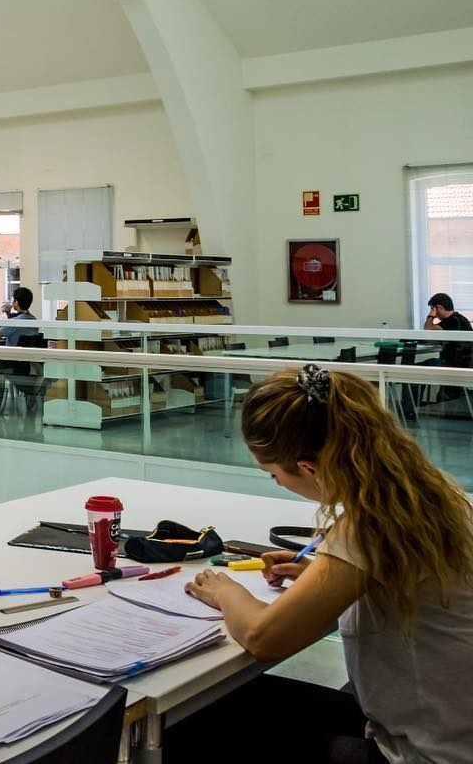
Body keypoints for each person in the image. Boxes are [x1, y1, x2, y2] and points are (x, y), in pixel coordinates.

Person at [172, 364, 473, 763]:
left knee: (191, 725)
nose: (277, 483)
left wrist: (227, 592)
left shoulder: (371, 525)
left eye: (273, 474)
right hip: (453, 727)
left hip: (427, 753)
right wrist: (320, 574)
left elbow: (265, 638)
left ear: (309, 467)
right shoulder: (429, 494)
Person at [424, 292, 472, 368]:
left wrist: (430, 316)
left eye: (432, 309)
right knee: (426, 364)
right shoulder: (455, 319)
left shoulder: (454, 320)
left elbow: (428, 329)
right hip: (456, 362)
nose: (433, 312)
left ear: (439, 308)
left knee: (418, 367)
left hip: (456, 364)